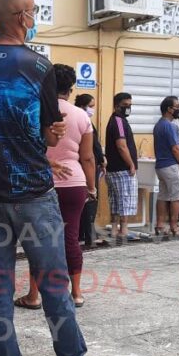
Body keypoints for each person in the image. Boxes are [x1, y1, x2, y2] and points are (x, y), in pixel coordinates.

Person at [0, 0, 105, 356]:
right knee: (55, 282)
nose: (34, 16)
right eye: (33, 10)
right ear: (22, 17)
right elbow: (44, 134)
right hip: (32, 192)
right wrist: (49, 132)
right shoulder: (39, 65)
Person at [16, 65, 97, 309]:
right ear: (71, 89)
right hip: (74, 183)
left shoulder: (35, 110)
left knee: (37, 240)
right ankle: (77, 293)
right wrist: (91, 187)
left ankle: (33, 295)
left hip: (41, 181)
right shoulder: (82, 116)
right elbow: (88, 157)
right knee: (70, 237)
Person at [105, 91, 141, 243]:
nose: (128, 108)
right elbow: (121, 145)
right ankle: (123, 230)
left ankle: (114, 228)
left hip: (113, 168)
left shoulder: (114, 120)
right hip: (122, 168)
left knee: (115, 200)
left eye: (130, 105)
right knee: (125, 199)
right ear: (116, 105)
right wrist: (131, 164)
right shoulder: (119, 121)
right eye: (125, 105)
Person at [153, 96, 179, 237]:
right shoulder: (169, 126)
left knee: (162, 196)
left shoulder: (159, 125)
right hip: (171, 166)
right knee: (176, 197)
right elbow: (175, 148)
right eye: (177, 107)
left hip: (161, 166)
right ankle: (175, 227)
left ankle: (160, 226)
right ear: (169, 109)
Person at [75, 93, 107, 249]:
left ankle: (86, 233)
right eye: (91, 106)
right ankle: (88, 235)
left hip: (90, 165)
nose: (92, 109)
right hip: (86, 167)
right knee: (90, 199)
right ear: (82, 106)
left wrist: (102, 159)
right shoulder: (82, 120)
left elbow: (96, 145)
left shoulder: (85, 120)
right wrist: (99, 160)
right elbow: (90, 150)